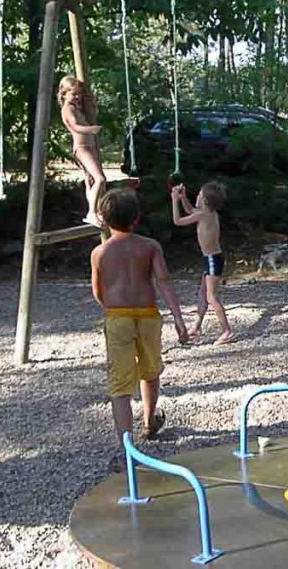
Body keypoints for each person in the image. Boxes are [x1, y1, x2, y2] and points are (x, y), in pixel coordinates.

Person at [91, 188, 188, 470]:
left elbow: (98, 291)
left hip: (117, 317)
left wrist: (113, 308)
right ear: (137, 219)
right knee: (150, 369)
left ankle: (126, 449)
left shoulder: (100, 252)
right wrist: (179, 319)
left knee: (120, 384)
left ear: (103, 219)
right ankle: (149, 421)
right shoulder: (150, 246)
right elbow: (164, 281)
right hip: (147, 315)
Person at [171, 181, 235, 345]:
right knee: (203, 294)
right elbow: (190, 210)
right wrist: (183, 197)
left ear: (205, 201)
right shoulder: (208, 213)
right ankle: (197, 327)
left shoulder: (203, 215)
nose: (197, 196)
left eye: (199, 195)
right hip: (210, 258)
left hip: (213, 259)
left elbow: (178, 220)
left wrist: (174, 199)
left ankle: (227, 330)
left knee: (211, 296)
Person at [59, 75, 106, 227]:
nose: (77, 97)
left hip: (89, 147)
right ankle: (91, 213)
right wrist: (91, 129)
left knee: (90, 181)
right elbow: (75, 127)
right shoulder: (67, 109)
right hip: (82, 148)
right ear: (64, 93)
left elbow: (89, 116)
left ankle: (96, 210)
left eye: (78, 93)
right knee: (100, 179)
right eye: (74, 93)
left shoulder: (77, 108)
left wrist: (93, 105)